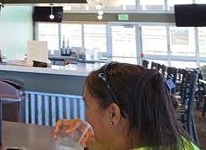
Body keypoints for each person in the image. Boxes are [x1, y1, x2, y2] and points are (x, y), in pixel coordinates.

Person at [54, 62, 198, 149]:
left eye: (87, 105)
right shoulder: (175, 140)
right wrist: (95, 139)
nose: (85, 115)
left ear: (113, 114)